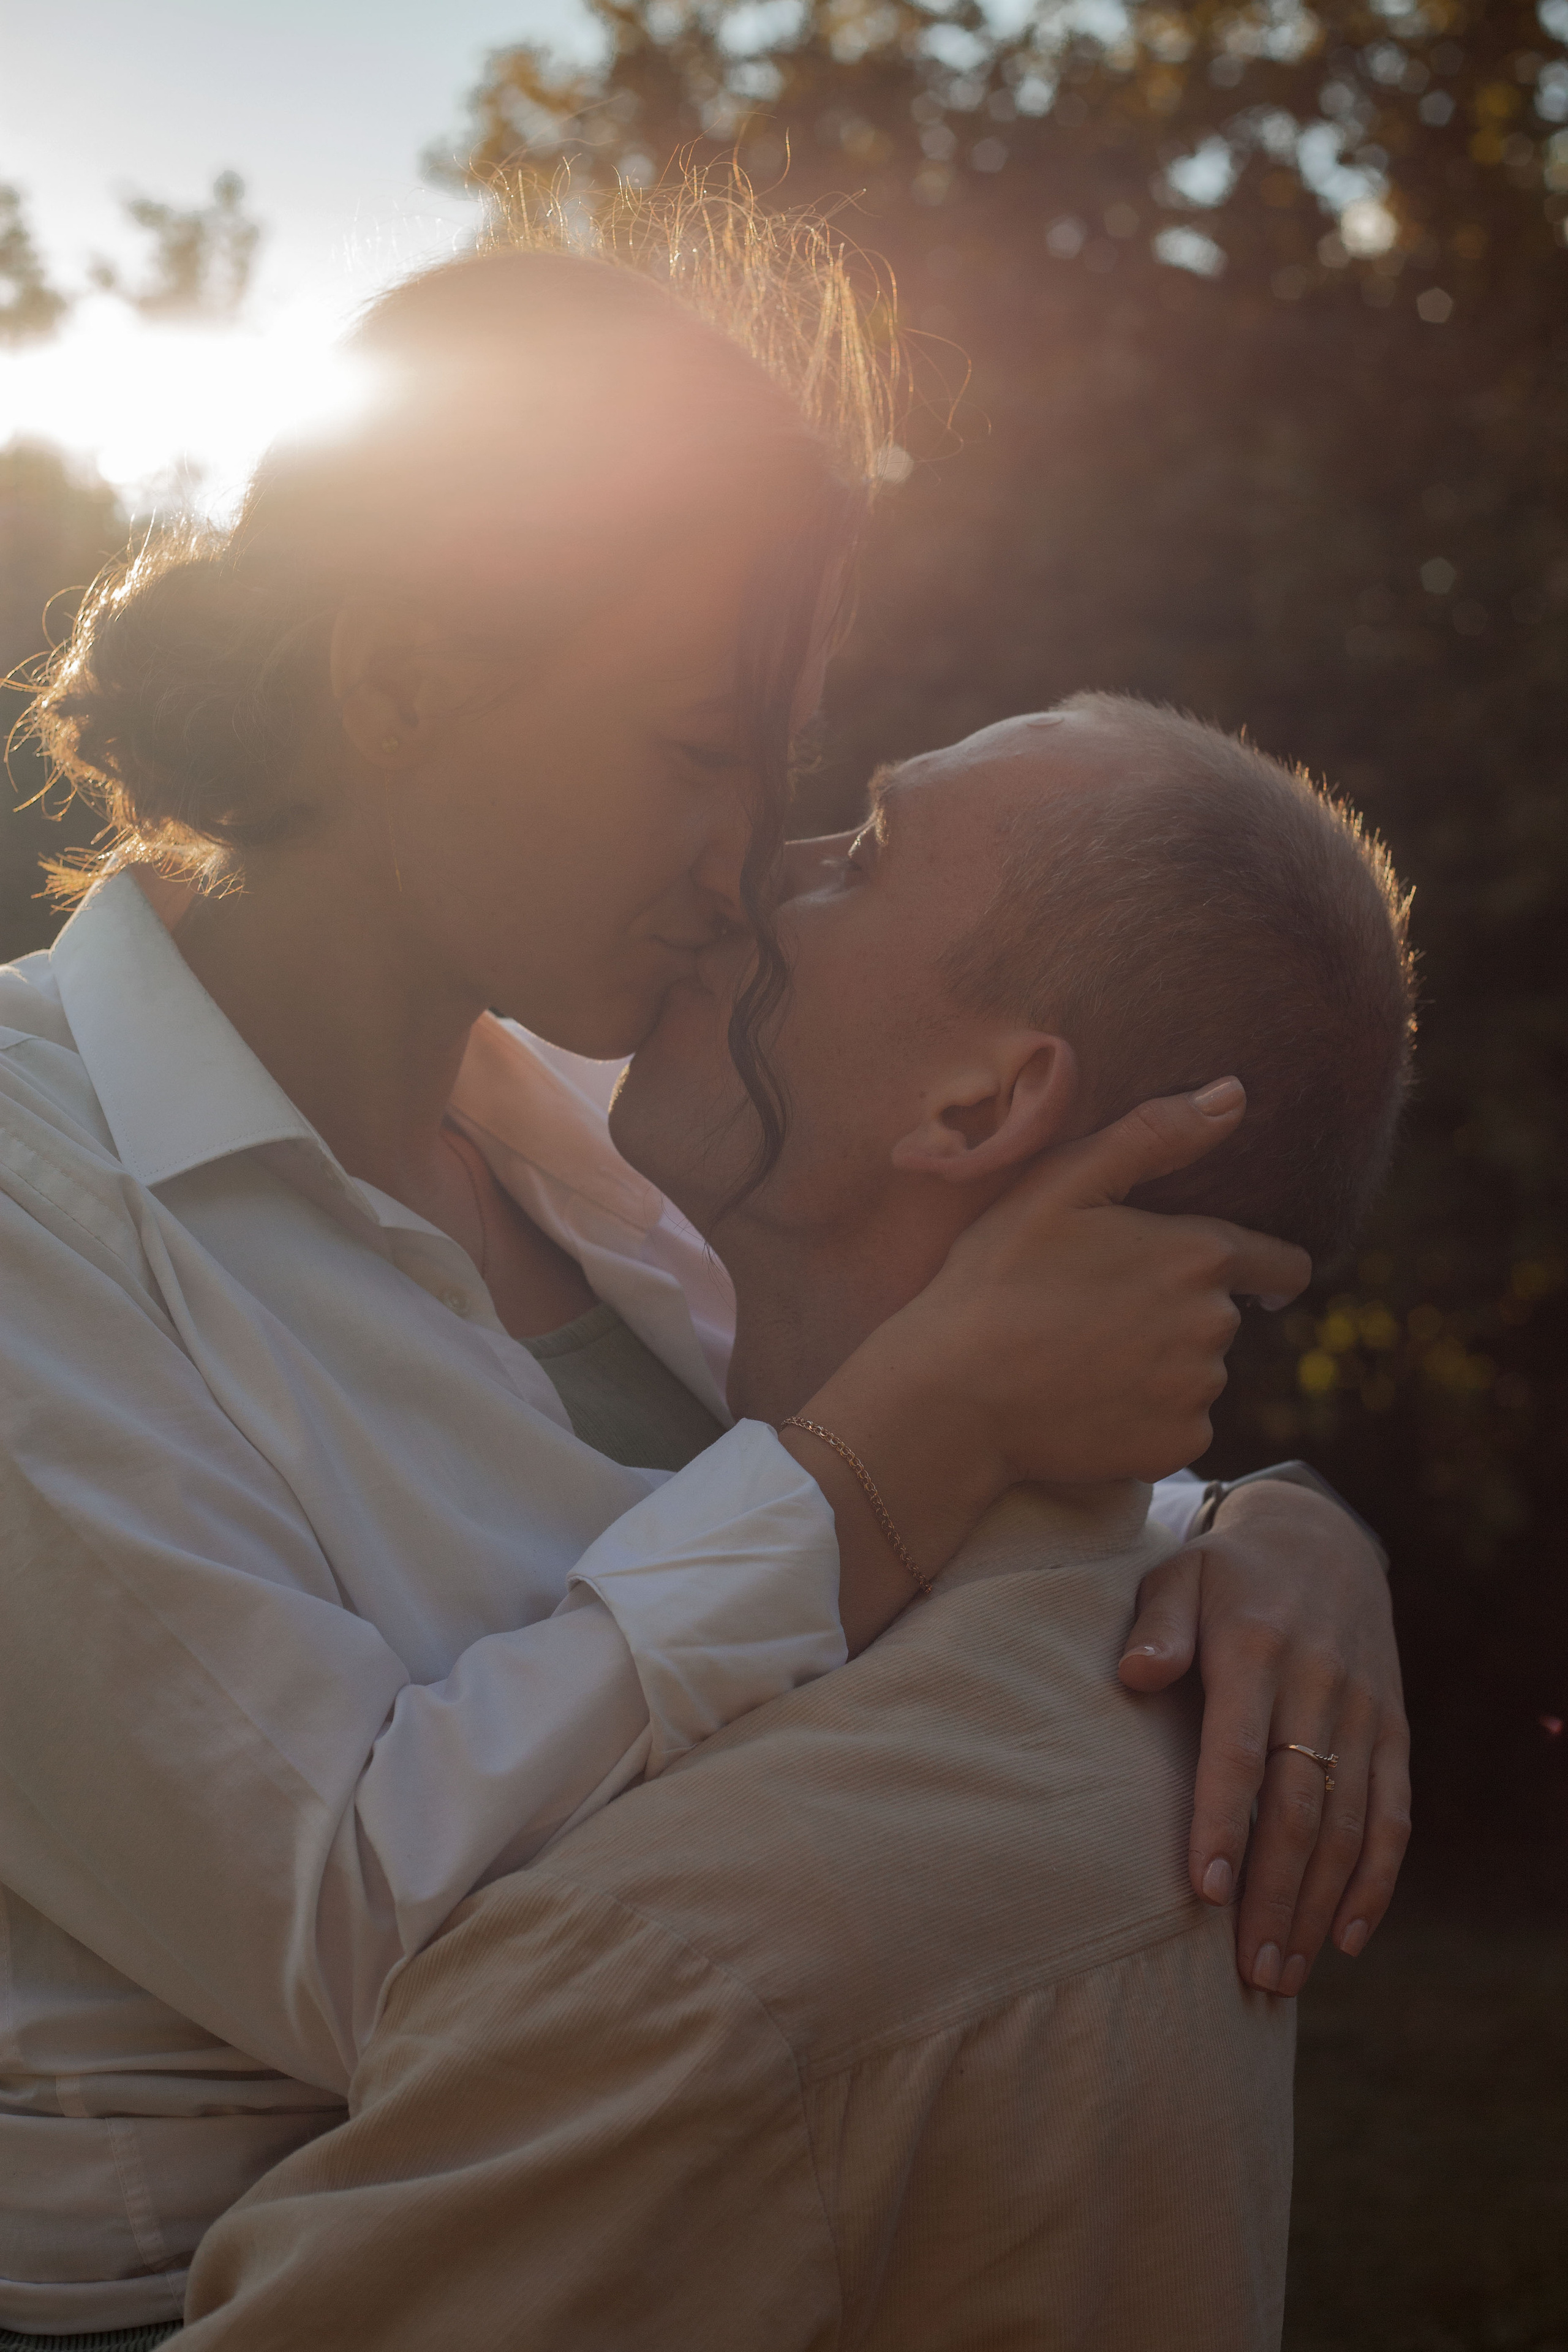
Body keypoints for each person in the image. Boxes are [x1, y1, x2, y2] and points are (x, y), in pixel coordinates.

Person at [0, 194, 1398, 2345]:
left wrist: (1256, 1541)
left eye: (788, 760)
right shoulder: (35, 1178)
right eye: (694, 750)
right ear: (396, 684)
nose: (752, 852)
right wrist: (897, 1450)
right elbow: (375, 1929)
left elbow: (900, 1460)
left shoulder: (604, 1129)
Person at [175, 695, 1412, 2351]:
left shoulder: (694, 1955)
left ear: (977, 1110)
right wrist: (1288, 1516)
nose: (763, 868)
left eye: (866, 855)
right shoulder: (1168, 1686)